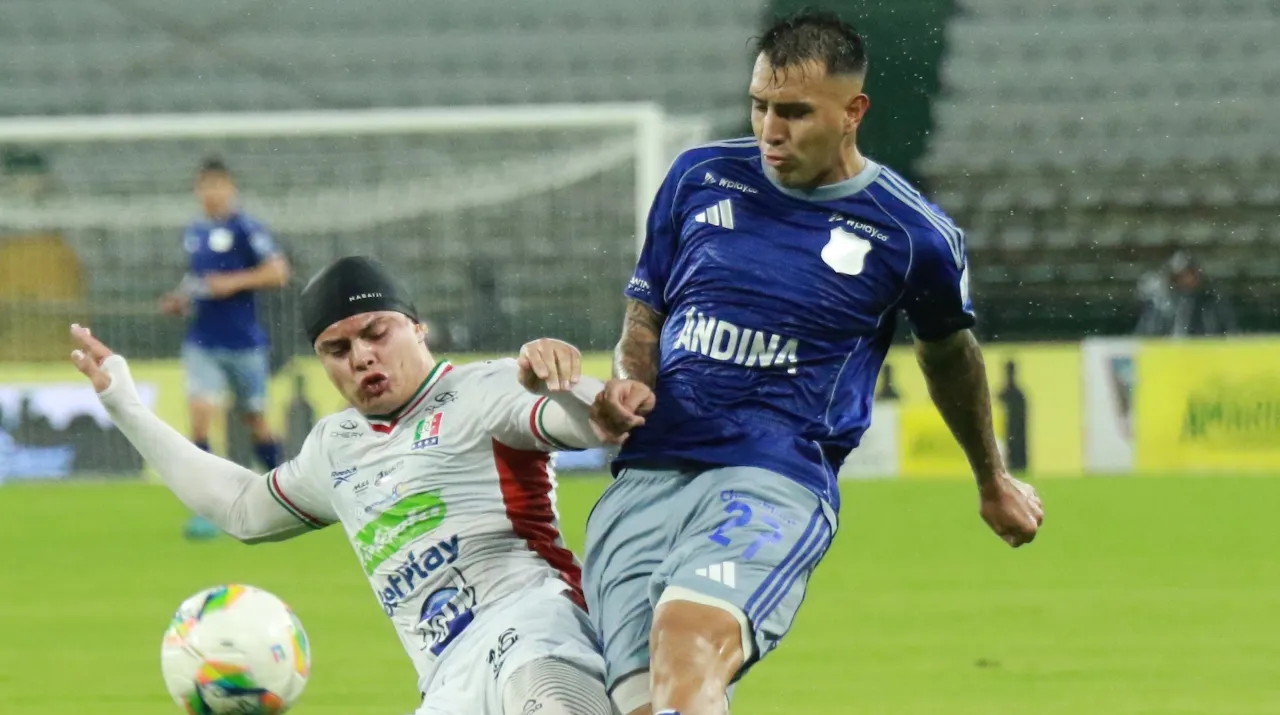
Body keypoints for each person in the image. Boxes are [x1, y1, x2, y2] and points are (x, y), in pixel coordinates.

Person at [583, 11, 1045, 715]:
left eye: (795, 112)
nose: (771, 129)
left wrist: (992, 477)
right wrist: (631, 383)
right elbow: (645, 315)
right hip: (649, 474)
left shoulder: (912, 234)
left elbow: (950, 354)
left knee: (690, 638)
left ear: (853, 112)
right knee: (645, 702)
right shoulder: (698, 177)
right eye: (760, 105)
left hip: (772, 476)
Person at [72, 256, 614, 715]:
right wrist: (124, 406)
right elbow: (242, 508)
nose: (361, 356)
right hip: (447, 681)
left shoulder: (486, 388)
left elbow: (595, 424)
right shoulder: (335, 446)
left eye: (377, 332)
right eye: (337, 348)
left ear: (416, 327)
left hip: (535, 627)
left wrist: (568, 386)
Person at [160, 156, 290, 537]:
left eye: (218, 185)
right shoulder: (195, 233)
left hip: (244, 342)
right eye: (205, 186)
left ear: (230, 189)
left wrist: (232, 283)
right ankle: (208, 509)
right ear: (197, 191)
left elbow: (278, 272)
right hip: (203, 340)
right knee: (201, 416)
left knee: (256, 420)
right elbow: (199, 281)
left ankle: (285, 493)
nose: (212, 193)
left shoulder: (247, 229)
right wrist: (181, 299)